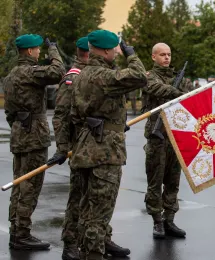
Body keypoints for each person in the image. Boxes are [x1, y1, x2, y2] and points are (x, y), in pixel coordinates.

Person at [48, 36, 130, 260]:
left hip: (97, 142)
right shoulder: (75, 76)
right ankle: (71, 242)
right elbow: (62, 115)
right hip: (83, 146)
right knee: (79, 199)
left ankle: (101, 239)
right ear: (88, 52)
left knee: (98, 202)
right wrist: (63, 146)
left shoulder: (100, 73)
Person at [70, 30, 147, 260]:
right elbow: (140, 76)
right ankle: (93, 254)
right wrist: (131, 55)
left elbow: (75, 115)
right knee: (100, 211)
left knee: (86, 208)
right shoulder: (103, 76)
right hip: (104, 152)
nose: (116, 52)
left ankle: (86, 251)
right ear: (105, 50)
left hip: (85, 146)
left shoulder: (81, 75)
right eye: (114, 49)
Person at [4, 34, 65, 250]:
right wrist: (54, 49)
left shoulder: (11, 75)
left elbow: (10, 114)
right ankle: (22, 234)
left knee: (19, 185)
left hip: (20, 133)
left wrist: (20, 125)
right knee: (30, 186)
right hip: (34, 137)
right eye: (38, 49)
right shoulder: (30, 72)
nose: (40, 52)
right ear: (29, 51)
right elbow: (59, 72)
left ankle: (16, 230)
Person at [141, 43, 194, 239]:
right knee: (155, 181)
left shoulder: (181, 79)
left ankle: (169, 219)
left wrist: (183, 93)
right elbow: (156, 88)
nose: (166, 58)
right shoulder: (148, 76)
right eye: (162, 54)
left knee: (173, 181)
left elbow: (191, 96)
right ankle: (157, 221)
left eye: (169, 54)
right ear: (154, 57)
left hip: (176, 135)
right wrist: (177, 93)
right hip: (157, 136)